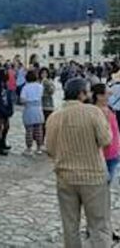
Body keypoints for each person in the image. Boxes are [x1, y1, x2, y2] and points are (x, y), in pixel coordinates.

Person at [46, 78, 113, 248]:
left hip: (66, 178)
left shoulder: (54, 117)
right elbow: (106, 140)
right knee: (99, 225)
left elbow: (50, 149)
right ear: (81, 94)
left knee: (70, 226)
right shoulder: (93, 112)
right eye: (88, 91)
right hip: (93, 176)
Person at [20, 70, 44, 155]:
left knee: (29, 130)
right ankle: (39, 148)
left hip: (29, 108)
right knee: (39, 130)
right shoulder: (40, 86)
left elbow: (22, 99)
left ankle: (29, 148)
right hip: (38, 108)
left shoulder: (25, 87)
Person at [39, 67, 55, 142]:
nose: (44, 75)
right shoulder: (38, 82)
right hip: (40, 105)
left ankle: (48, 141)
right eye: (42, 73)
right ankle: (41, 141)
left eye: (45, 73)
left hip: (48, 105)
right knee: (41, 125)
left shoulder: (49, 82)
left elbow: (52, 91)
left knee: (47, 124)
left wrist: (46, 83)